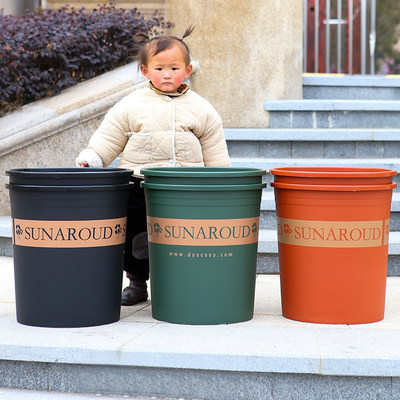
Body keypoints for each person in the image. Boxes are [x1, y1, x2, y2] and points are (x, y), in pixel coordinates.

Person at [76, 26, 231, 306]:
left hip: (185, 189)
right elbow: (110, 136)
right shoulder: (131, 105)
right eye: (159, 68)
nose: (167, 74)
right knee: (137, 238)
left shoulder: (202, 108)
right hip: (140, 188)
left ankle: (183, 282)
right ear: (146, 72)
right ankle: (137, 282)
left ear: (188, 70)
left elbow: (215, 148)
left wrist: (221, 178)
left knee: (184, 238)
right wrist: (93, 157)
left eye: (174, 68)